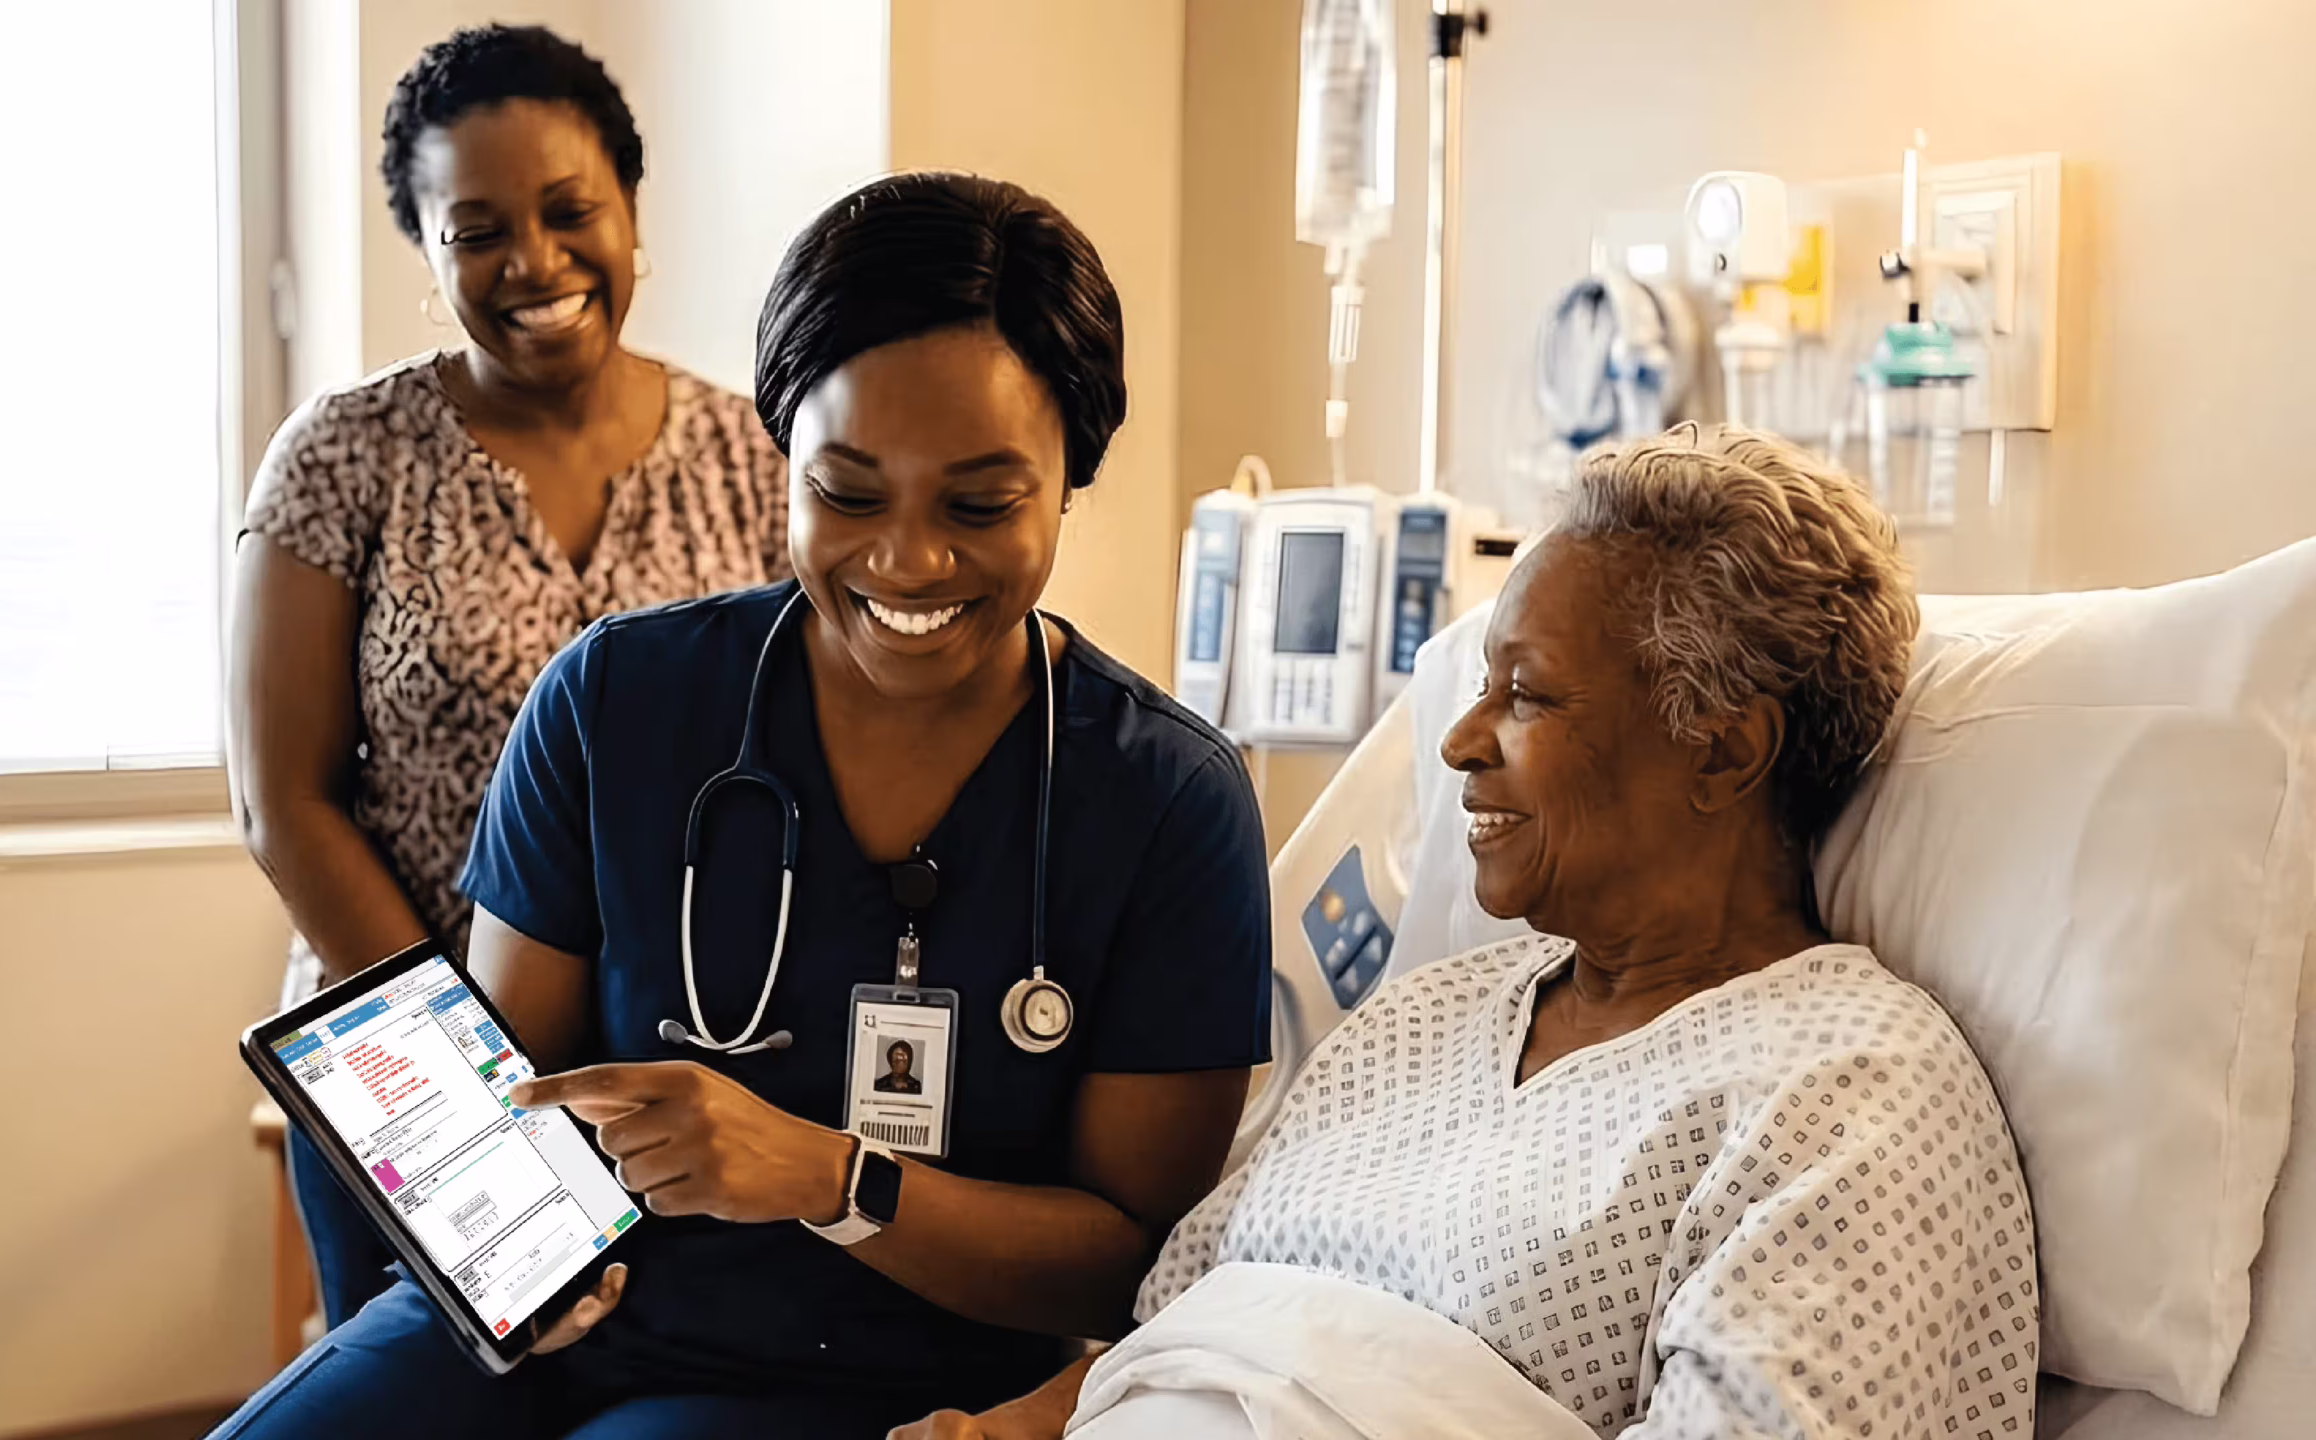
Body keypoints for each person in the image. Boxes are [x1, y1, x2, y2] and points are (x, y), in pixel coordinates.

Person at [209, 171, 1272, 1439]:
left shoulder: (1163, 802)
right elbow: (514, 1088)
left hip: (853, 1378)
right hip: (549, 1321)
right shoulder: (617, 704)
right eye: (848, 492)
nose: (908, 559)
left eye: (981, 504)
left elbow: (1124, 1261)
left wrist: (838, 1179)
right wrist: (502, 1256)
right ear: (782, 459)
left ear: (1068, 477)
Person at [899, 426, 2039, 1440]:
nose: (1460, 739)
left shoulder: (1846, 1095)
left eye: (1528, 696)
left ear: (1725, 750)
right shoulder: (1417, 1018)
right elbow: (1179, 1325)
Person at [226, 22, 795, 1331]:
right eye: (476, 228)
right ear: (429, 249)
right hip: (409, 1064)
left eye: (565, 210)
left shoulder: (752, 454)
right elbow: (286, 802)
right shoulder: (342, 458)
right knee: (416, 1399)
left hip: (684, 1081)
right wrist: (471, 1077)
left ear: (631, 214)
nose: (532, 262)